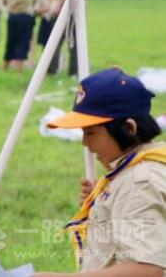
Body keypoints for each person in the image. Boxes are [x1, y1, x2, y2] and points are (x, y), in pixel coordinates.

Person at [36, 68, 165, 277]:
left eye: (91, 133)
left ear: (128, 129)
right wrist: (107, 200)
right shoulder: (141, 170)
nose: (85, 143)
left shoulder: (139, 184)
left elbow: (147, 270)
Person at [2, 0, 39, 73]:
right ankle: (19, 70)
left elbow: (4, 1)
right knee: (23, 42)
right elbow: (35, 2)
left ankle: (5, 68)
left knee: (11, 41)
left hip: (13, 17)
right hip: (26, 18)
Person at [36, 0, 63, 74]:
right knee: (44, 45)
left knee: (55, 45)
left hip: (56, 21)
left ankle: (54, 67)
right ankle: (45, 67)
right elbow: (36, 11)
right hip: (45, 22)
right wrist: (44, 10)